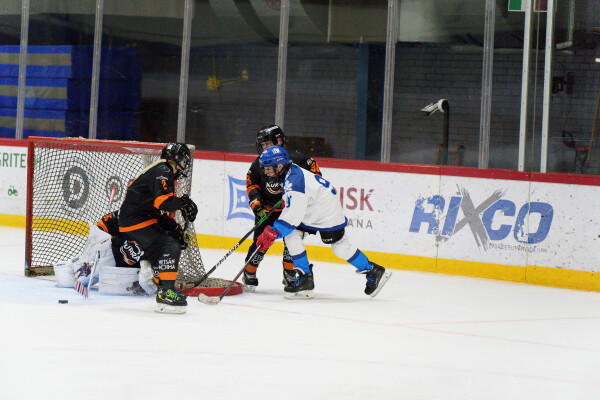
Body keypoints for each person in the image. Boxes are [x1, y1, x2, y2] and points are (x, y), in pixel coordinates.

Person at [255, 145, 392, 299]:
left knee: (340, 247)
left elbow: (292, 216)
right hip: (312, 206)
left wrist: (273, 232)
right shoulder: (287, 171)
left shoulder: (294, 182)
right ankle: (306, 278)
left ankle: (374, 270)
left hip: (327, 210)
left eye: (269, 168)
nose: (266, 172)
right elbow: (295, 205)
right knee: (291, 236)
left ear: (280, 165)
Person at [118, 142, 198, 314]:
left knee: (169, 240)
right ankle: (165, 291)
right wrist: (183, 203)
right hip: (135, 219)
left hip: (139, 217)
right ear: (176, 159)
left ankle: (159, 282)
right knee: (169, 245)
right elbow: (163, 203)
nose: (184, 164)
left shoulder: (161, 169)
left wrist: (174, 227)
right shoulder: (163, 171)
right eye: (183, 160)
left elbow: (157, 211)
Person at [243, 125, 322, 292]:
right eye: (263, 145)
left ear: (278, 141)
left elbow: (315, 177)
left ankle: (290, 274)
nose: (265, 148)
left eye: (268, 144)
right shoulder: (258, 163)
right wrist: (257, 205)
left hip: (291, 212)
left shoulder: (297, 159)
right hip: (267, 211)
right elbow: (252, 185)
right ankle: (249, 272)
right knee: (260, 244)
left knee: (292, 244)